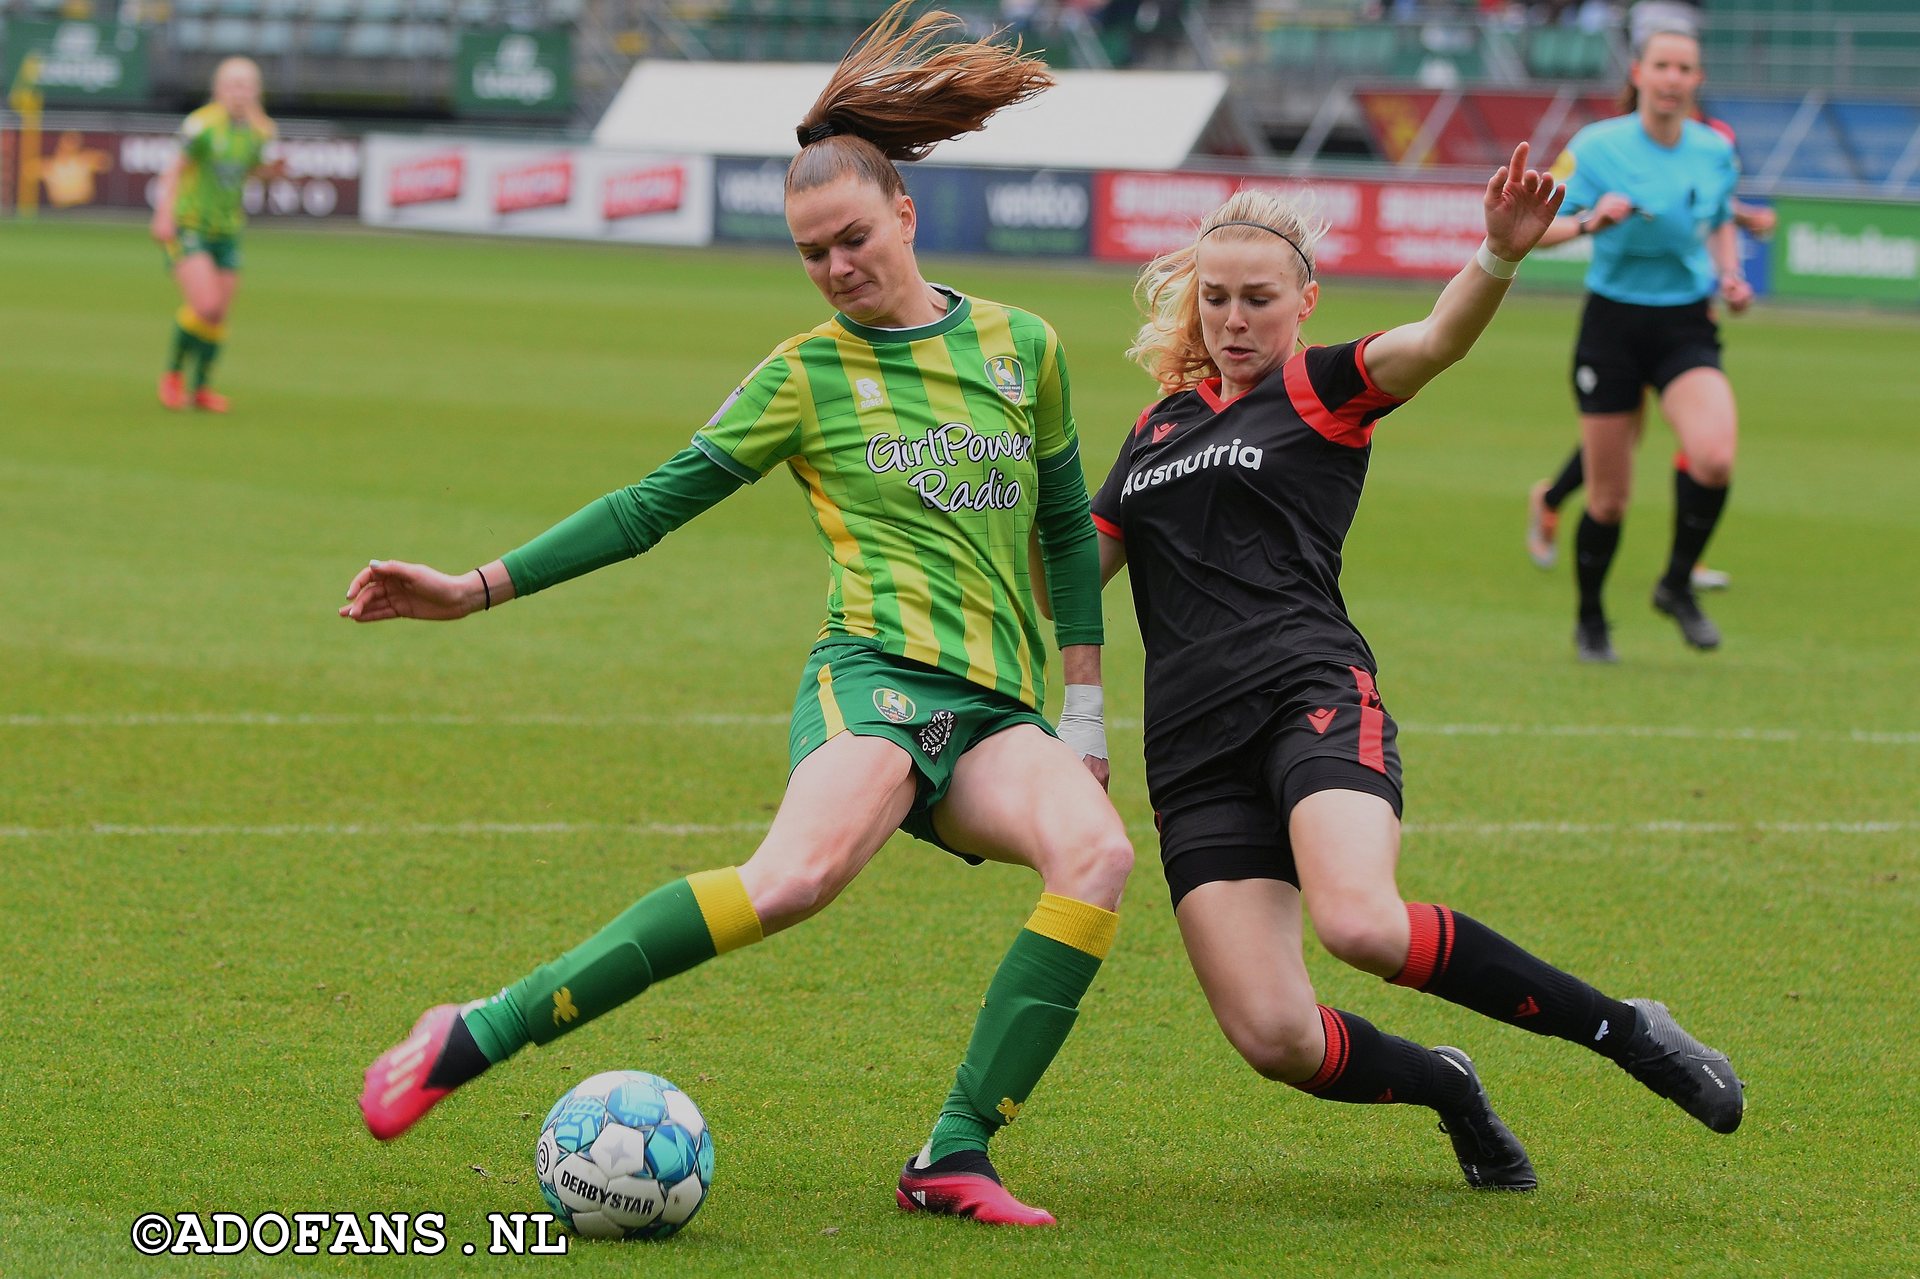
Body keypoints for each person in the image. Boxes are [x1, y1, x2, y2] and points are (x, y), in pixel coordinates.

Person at [341, 3, 1132, 1228]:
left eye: (853, 238)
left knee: (1098, 856)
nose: (836, 268)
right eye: (811, 252)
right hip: (873, 676)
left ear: (906, 215)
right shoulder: (802, 373)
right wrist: (474, 587)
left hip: (998, 709)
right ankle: (477, 1031)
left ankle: (954, 1154)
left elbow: (1069, 530)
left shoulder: (1024, 346)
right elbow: (653, 504)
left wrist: (1082, 715)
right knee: (796, 879)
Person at [1080, 144, 1743, 1192]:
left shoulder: (1321, 384)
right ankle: (1447, 1086)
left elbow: (1436, 339)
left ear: (1305, 301)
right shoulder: (1155, 427)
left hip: (1308, 694)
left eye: (1258, 298)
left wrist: (1496, 254)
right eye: (1215, 299)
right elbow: (1076, 574)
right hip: (1190, 751)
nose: (1234, 319)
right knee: (1275, 1037)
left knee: (1359, 921)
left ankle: (1625, 1030)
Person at [1523, 28, 1747, 661]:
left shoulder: (1714, 151)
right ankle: (1591, 619)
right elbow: (1537, 230)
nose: (1673, 78)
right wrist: (1595, 219)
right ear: (1640, 75)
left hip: (1684, 324)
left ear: (1696, 80)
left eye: (1685, 67)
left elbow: (1722, 217)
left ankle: (1676, 585)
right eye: (1662, 65)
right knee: (1608, 499)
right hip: (1613, 327)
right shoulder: (1597, 147)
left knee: (1714, 457)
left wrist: (1729, 275)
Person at [149, 57, 280, 414]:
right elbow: (174, 169)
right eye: (233, 85)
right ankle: (173, 376)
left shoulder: (260, 132)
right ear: (218, 90)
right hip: (190, 226)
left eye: (246, 85)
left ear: (256, 92)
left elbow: (252, 173)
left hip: (228, 230)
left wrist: (273, 173)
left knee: (218, 314)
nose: (240, 92)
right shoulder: (201, 126)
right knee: (205, 305)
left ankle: (202, 388)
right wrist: (163, 215)